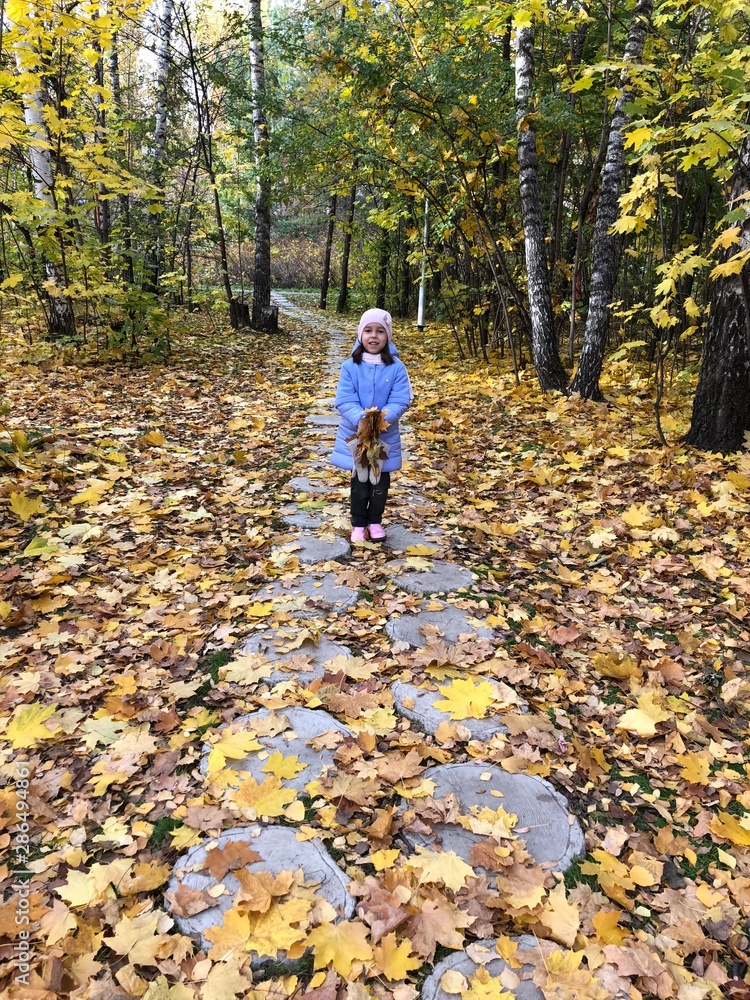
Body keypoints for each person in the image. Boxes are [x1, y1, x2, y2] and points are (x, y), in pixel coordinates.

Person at [330, 308, 412, 543]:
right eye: (368, 331)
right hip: (357, 436)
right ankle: (358, 524)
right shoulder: (350, 367)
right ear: (360, 334)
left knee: (380, 482)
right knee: (359, 482)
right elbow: (344, 400)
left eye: (380, 331)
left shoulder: (396, 368)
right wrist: (362, 419)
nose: (374, 336)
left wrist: (383, 418)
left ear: (388, 336)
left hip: (384, 436)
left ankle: (375, 521)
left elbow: (401, 399)